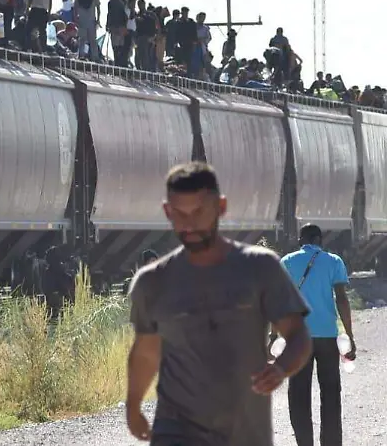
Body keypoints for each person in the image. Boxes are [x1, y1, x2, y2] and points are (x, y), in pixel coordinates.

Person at [125, 161, 312, 446]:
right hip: (175, 432)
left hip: (244, 434)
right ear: (167, 212)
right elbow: (146, 353)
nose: (190, 224)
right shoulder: (152, 282)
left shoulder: (260, 268)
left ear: (221, 207)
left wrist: (281, 368)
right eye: (180, 214)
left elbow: (298, 335)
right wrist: (133, 406)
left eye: (199, 212)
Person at [281, 223, 355, 446]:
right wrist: (349, 335)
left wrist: (274, 336)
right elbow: (342, 299)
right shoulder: (334, 261)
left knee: (298, 395)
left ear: (301, 240)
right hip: (328, 337)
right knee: (331, 393)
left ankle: (305, 443)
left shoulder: (287, 261)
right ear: (319, 240)